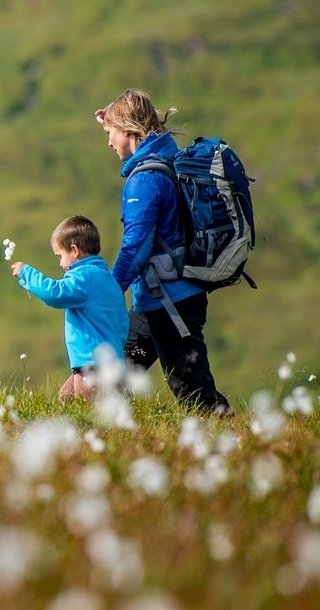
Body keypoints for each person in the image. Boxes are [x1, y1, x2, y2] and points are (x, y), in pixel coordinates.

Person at [95, 89, 231, 414]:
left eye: (111, 133)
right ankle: (113, 445)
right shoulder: (167, 159)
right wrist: (108, 117)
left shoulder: (144, 182)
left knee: (196, 397)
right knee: (112, 381)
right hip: (158, 301)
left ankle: (239, 445)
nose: (109, 141)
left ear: (129, 131)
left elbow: (135, 246)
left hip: (171, 306)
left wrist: (110, 292)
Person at [10, 215, 129, 402]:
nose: (60, 264)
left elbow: (55, 293)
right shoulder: (108, 280)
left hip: (92, 366)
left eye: (60, 256)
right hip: (111, 363)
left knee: (90, 416)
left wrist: (26, 272)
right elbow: (122, 323)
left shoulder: (84, 277)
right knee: (65, 398)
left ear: (74, 250)